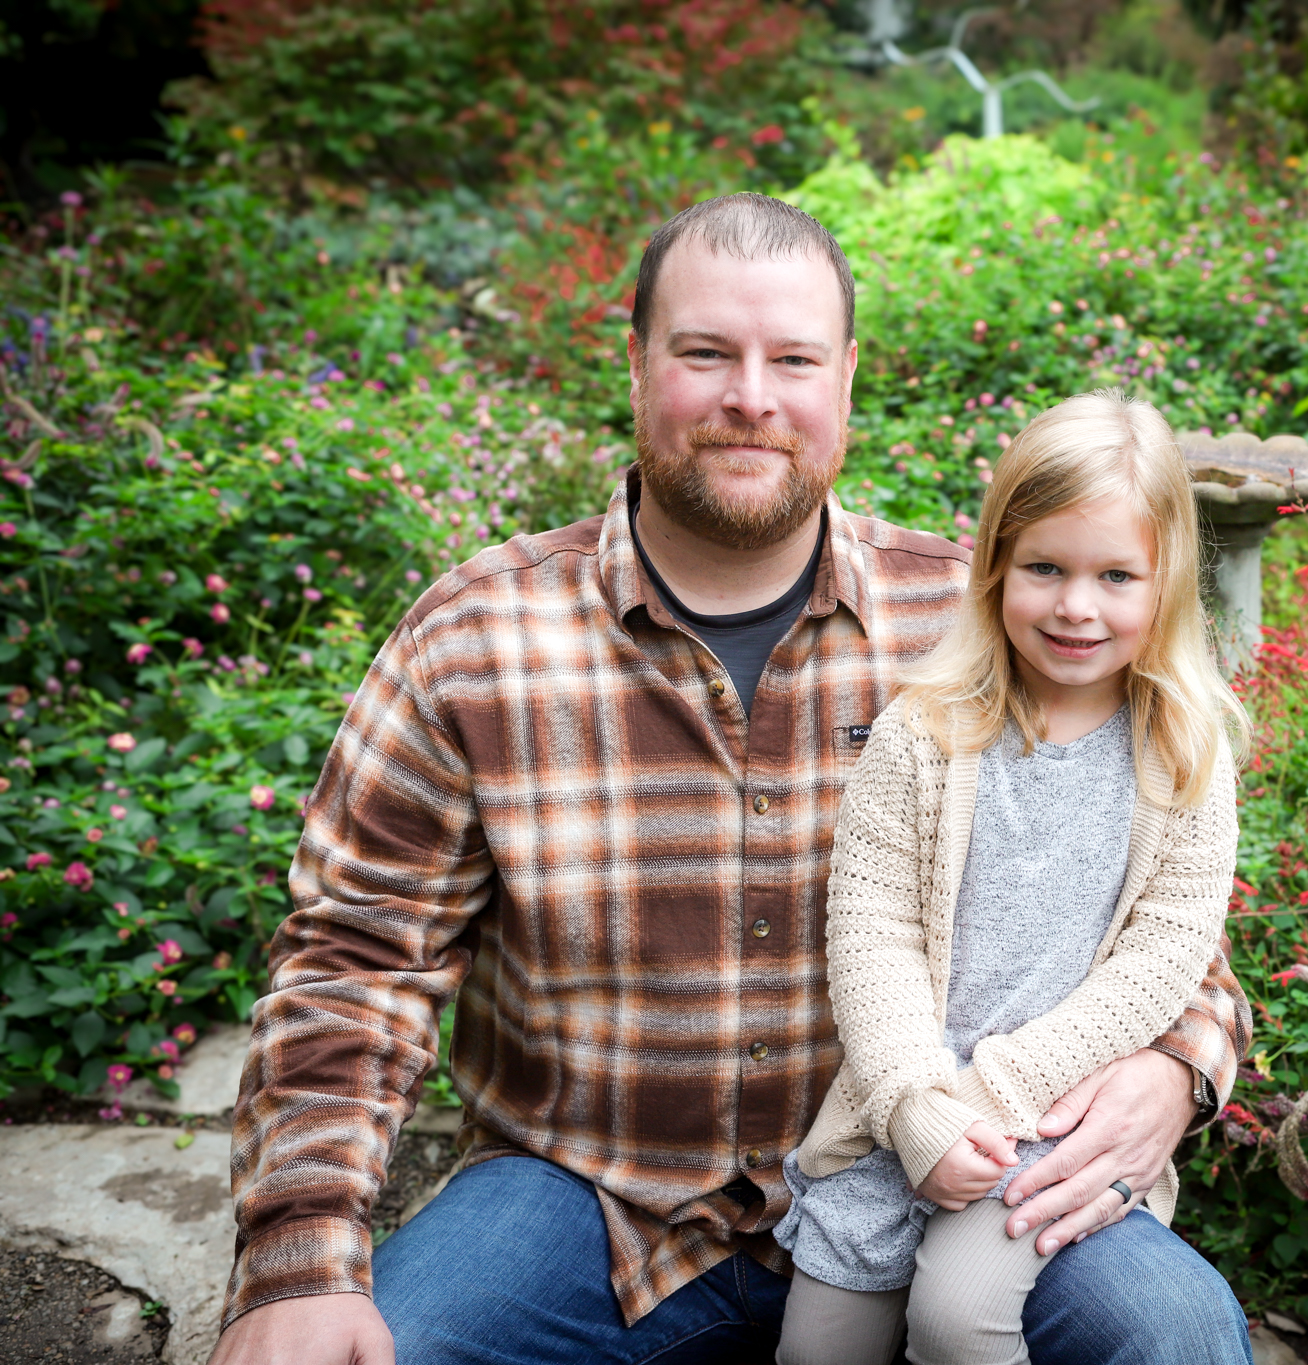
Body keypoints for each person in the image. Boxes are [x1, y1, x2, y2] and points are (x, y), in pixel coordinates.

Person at [208, 192, 1254, 1365]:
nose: (751, 397)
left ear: (843, 379)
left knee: (1172, 1333)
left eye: (792, 360)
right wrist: (296, 1255)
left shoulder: (984, 625)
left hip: (946, 1170)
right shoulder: (478, 639)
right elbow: (356, 959)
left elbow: (1162, 916)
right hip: (593, 1207)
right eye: (705, 352)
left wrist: (1175, 1066)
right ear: (638, 363)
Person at [771, 391, 1251, 1365]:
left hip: (1045, 1128)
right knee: (816, 1348)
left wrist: (998, 1095)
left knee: (959, 1318)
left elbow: (1164, 959)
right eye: (1045, 568)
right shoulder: (923, 733)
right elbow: (871, 935)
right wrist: (917, 1106)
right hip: (894, 1113)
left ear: (1165, 585)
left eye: (1116, 576)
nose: (1077, 606)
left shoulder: (1183, 754)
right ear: (994, 565)